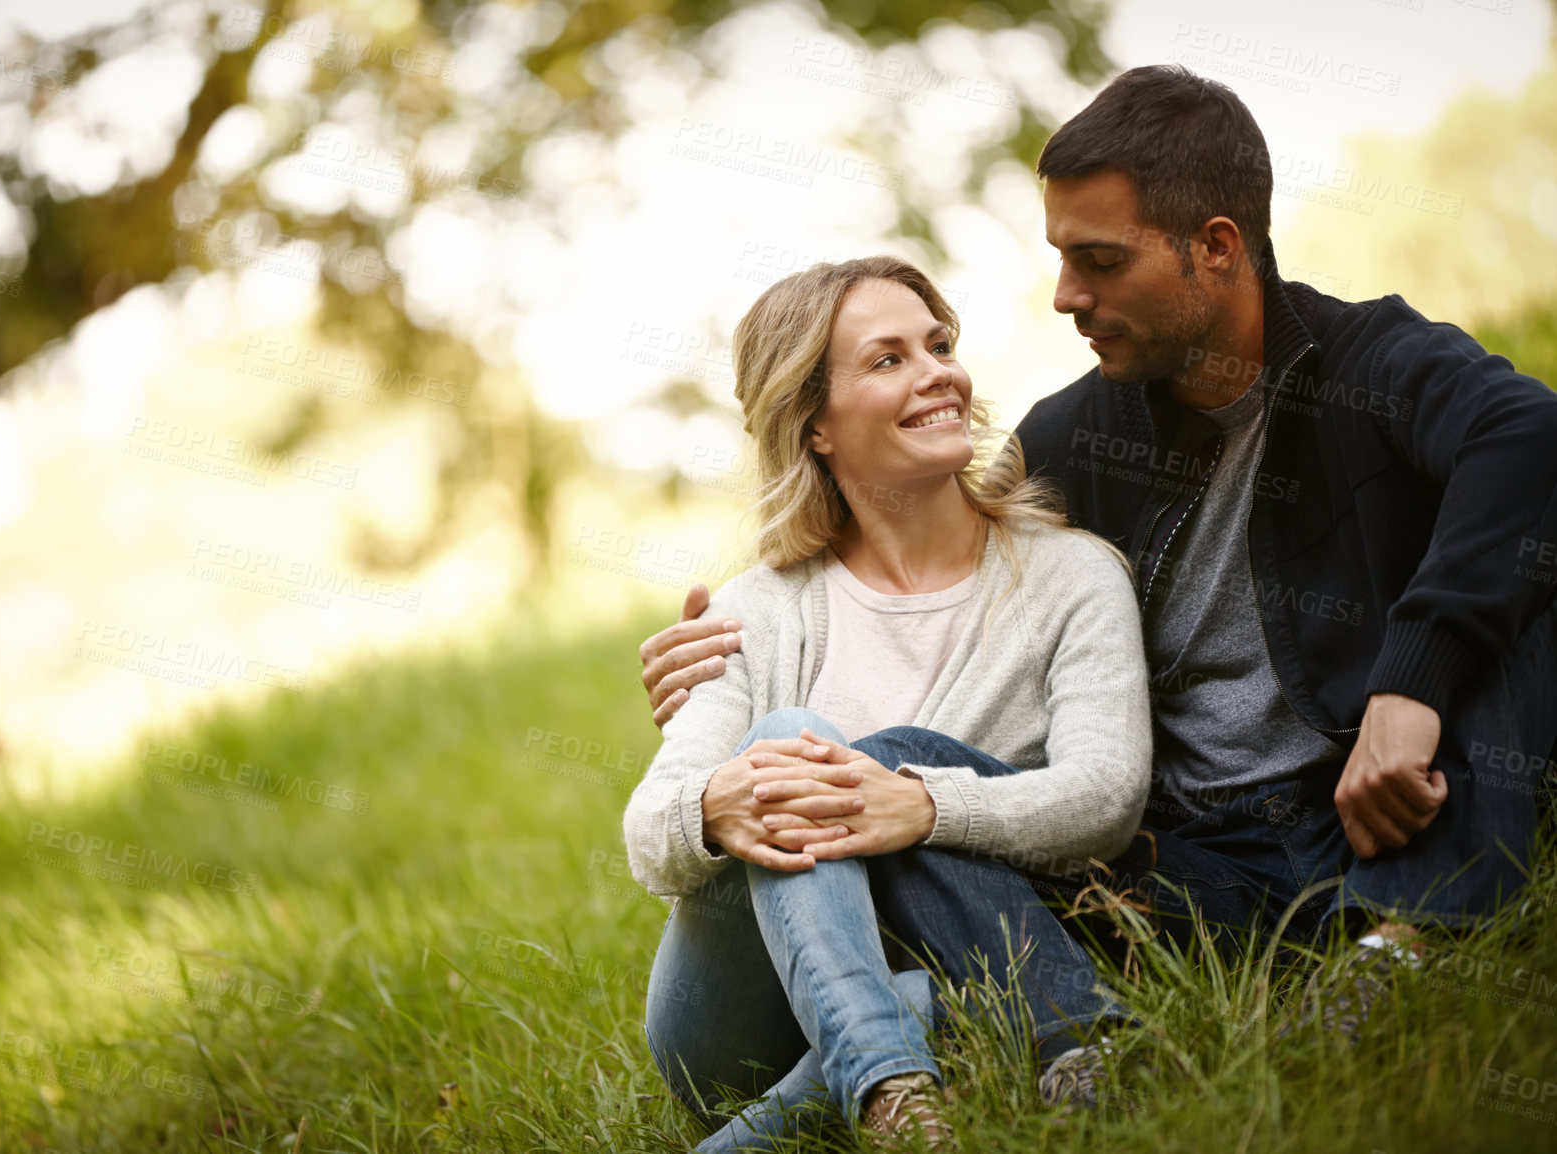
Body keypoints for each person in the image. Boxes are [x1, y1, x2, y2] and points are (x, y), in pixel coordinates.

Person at [640, 64, 1557, 1072]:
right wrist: (728, 653)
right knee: (903, 764)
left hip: (1382, 809)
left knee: (1528, 564)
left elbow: (1531, 435)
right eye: (1061, 257)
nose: (1066, 295)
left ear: (1214, 247)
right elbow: (921, 527)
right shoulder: (1073, 434)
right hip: (1176, 867)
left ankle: (1404, 946)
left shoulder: (1372, 363)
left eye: (1100, 260)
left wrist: (1409, 681)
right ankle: (1081, 1050)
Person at [623, 254, 1153, 1150]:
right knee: (792, 742)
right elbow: (650, 834)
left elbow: (1105, 799)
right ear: (816, 423)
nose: (937, 372)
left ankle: (887, 1095)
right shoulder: (756, 609)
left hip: (951, 971)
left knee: (931, 998)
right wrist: (712, 806)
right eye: (887, 359)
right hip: (738, 1017)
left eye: (937, 344)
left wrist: (922, 806)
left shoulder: (1072, 575)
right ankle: (889, 1084)